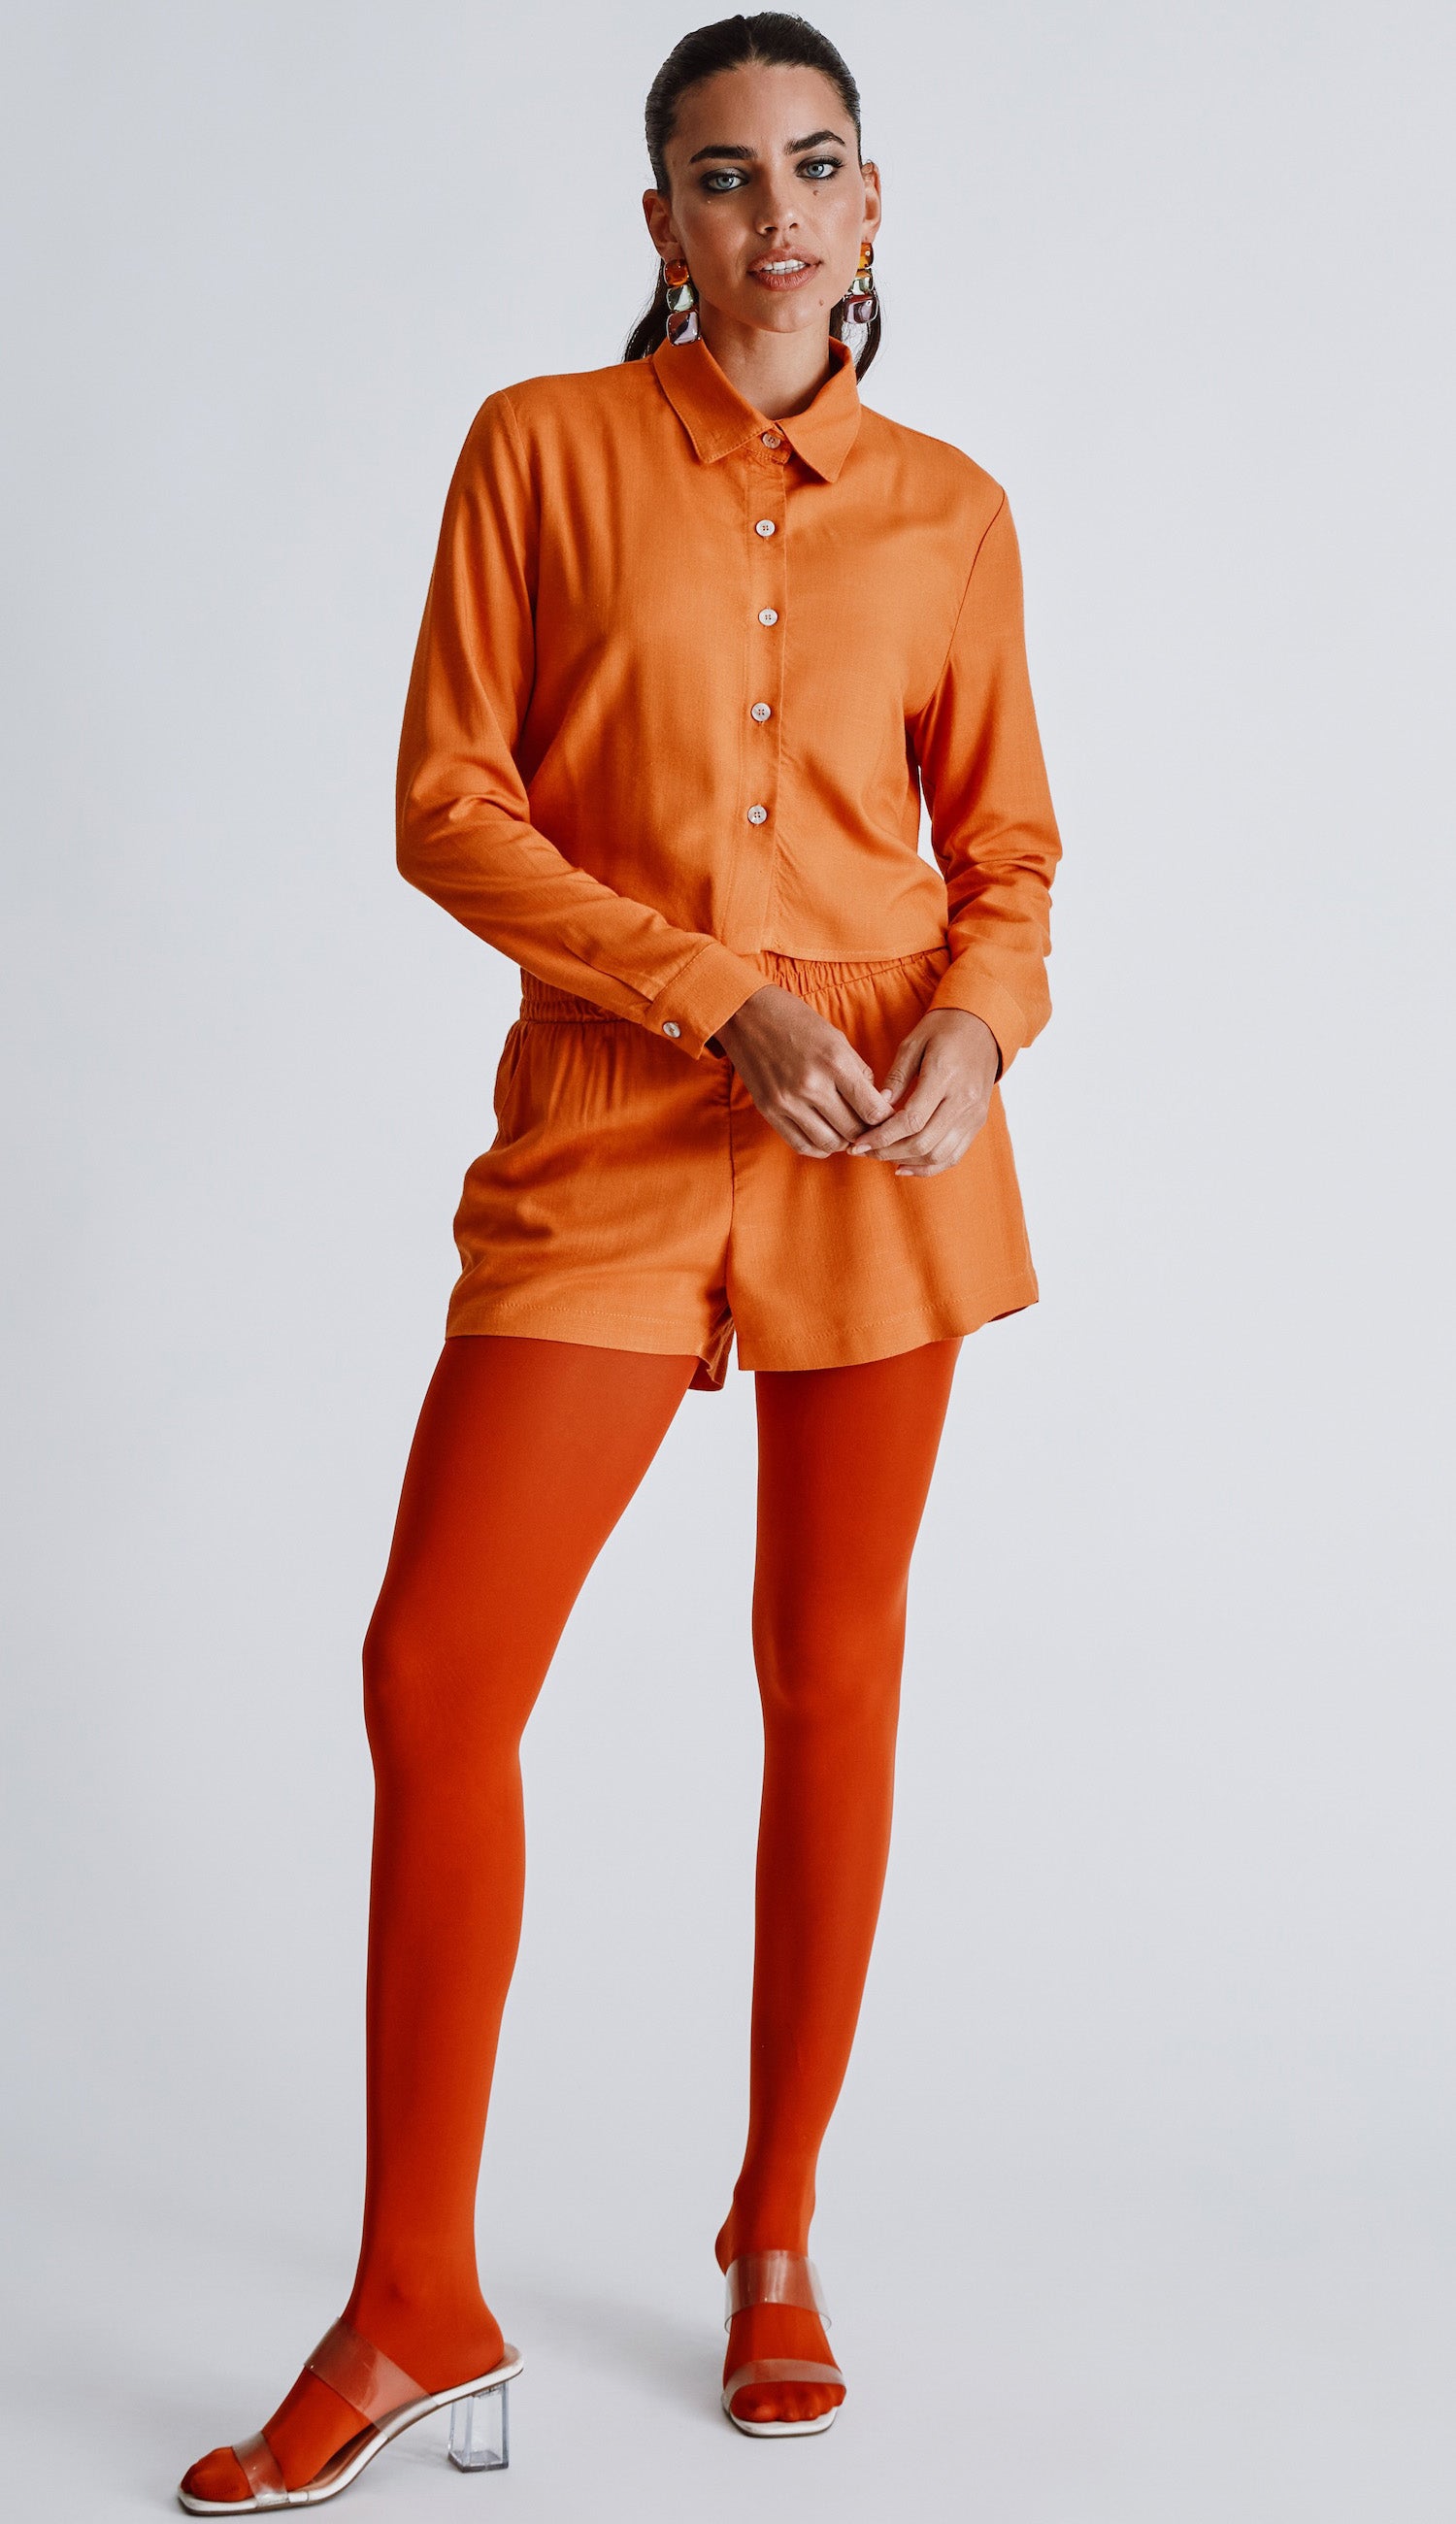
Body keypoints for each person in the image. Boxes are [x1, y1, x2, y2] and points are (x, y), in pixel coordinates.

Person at [178, 10, 1062, 2507]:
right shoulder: (540, 450)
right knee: (435, 1671)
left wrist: (976, 1032)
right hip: (620, 1108)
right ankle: (413, 2298)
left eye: (816, 164)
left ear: (874, 206)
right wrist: (708, 992)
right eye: (722, 173)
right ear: (658, 217)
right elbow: (447, 804)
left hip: (881, 1140)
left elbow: (1008, 856)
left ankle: (776, 2229)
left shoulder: (955, 512)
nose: (776, 212)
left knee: (831, 1673)